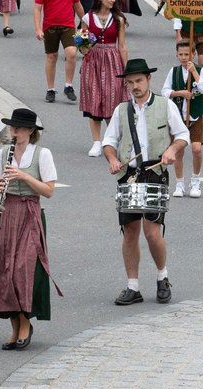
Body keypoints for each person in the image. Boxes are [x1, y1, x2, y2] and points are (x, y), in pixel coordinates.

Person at [103, 59, 189, 306]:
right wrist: (111, 159)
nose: (134, 86)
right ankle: (133, 286)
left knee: (152, 232)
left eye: (138, 81)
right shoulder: (121, 110)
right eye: (130, 82)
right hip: (129, 174)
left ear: (148, 79)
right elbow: (109, 142)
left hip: (155, 172)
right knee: (129, 232)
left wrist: (172, 149)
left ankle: (162, 276)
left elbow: (182, 134)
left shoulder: (165, 105)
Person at [0, 109, 59, 351]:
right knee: (4, 268)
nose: (14, 132)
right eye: (12, 127)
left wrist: (23, 176)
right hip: (7, 212)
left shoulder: (42, 155)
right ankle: (14, 326)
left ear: (30, 131)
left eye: (19, 128)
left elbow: (48, 191)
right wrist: (2, 185)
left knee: (23, 268)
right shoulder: (4, 154)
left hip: (30, 213)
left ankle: (26, 324)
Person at [79, 0, 129, 157]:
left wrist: (126, 70)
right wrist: (83, 48)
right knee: (94, 98)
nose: (113, 0)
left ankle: (110, 138)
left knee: (112, 98)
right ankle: (96, 142)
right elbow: (82, 41)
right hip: (93, 61)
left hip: (112, 61)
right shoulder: (87, 18)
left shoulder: (118, 20)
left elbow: (122, 46)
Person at [161, 40, 203, 198]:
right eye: (181, 54)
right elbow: (165, 91)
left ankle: (195, 180)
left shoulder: (200, 70)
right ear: (177, 55)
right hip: (178, 116)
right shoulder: (174, 71)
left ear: (193, 54)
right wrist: (179, 93)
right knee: (178, 151)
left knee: (196, 148)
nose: (184, 57)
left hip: (196, 114)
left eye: (187, 54)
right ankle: (179, 183)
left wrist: (194, 73)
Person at [34, 0, 85, 103]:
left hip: (68, 26)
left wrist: (85, 23)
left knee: (71, 53)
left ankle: (68, 86)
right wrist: (38, 29)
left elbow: (78, 6)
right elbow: (37, 8)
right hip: (50, 27)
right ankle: (50, 89)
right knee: (51, 57)